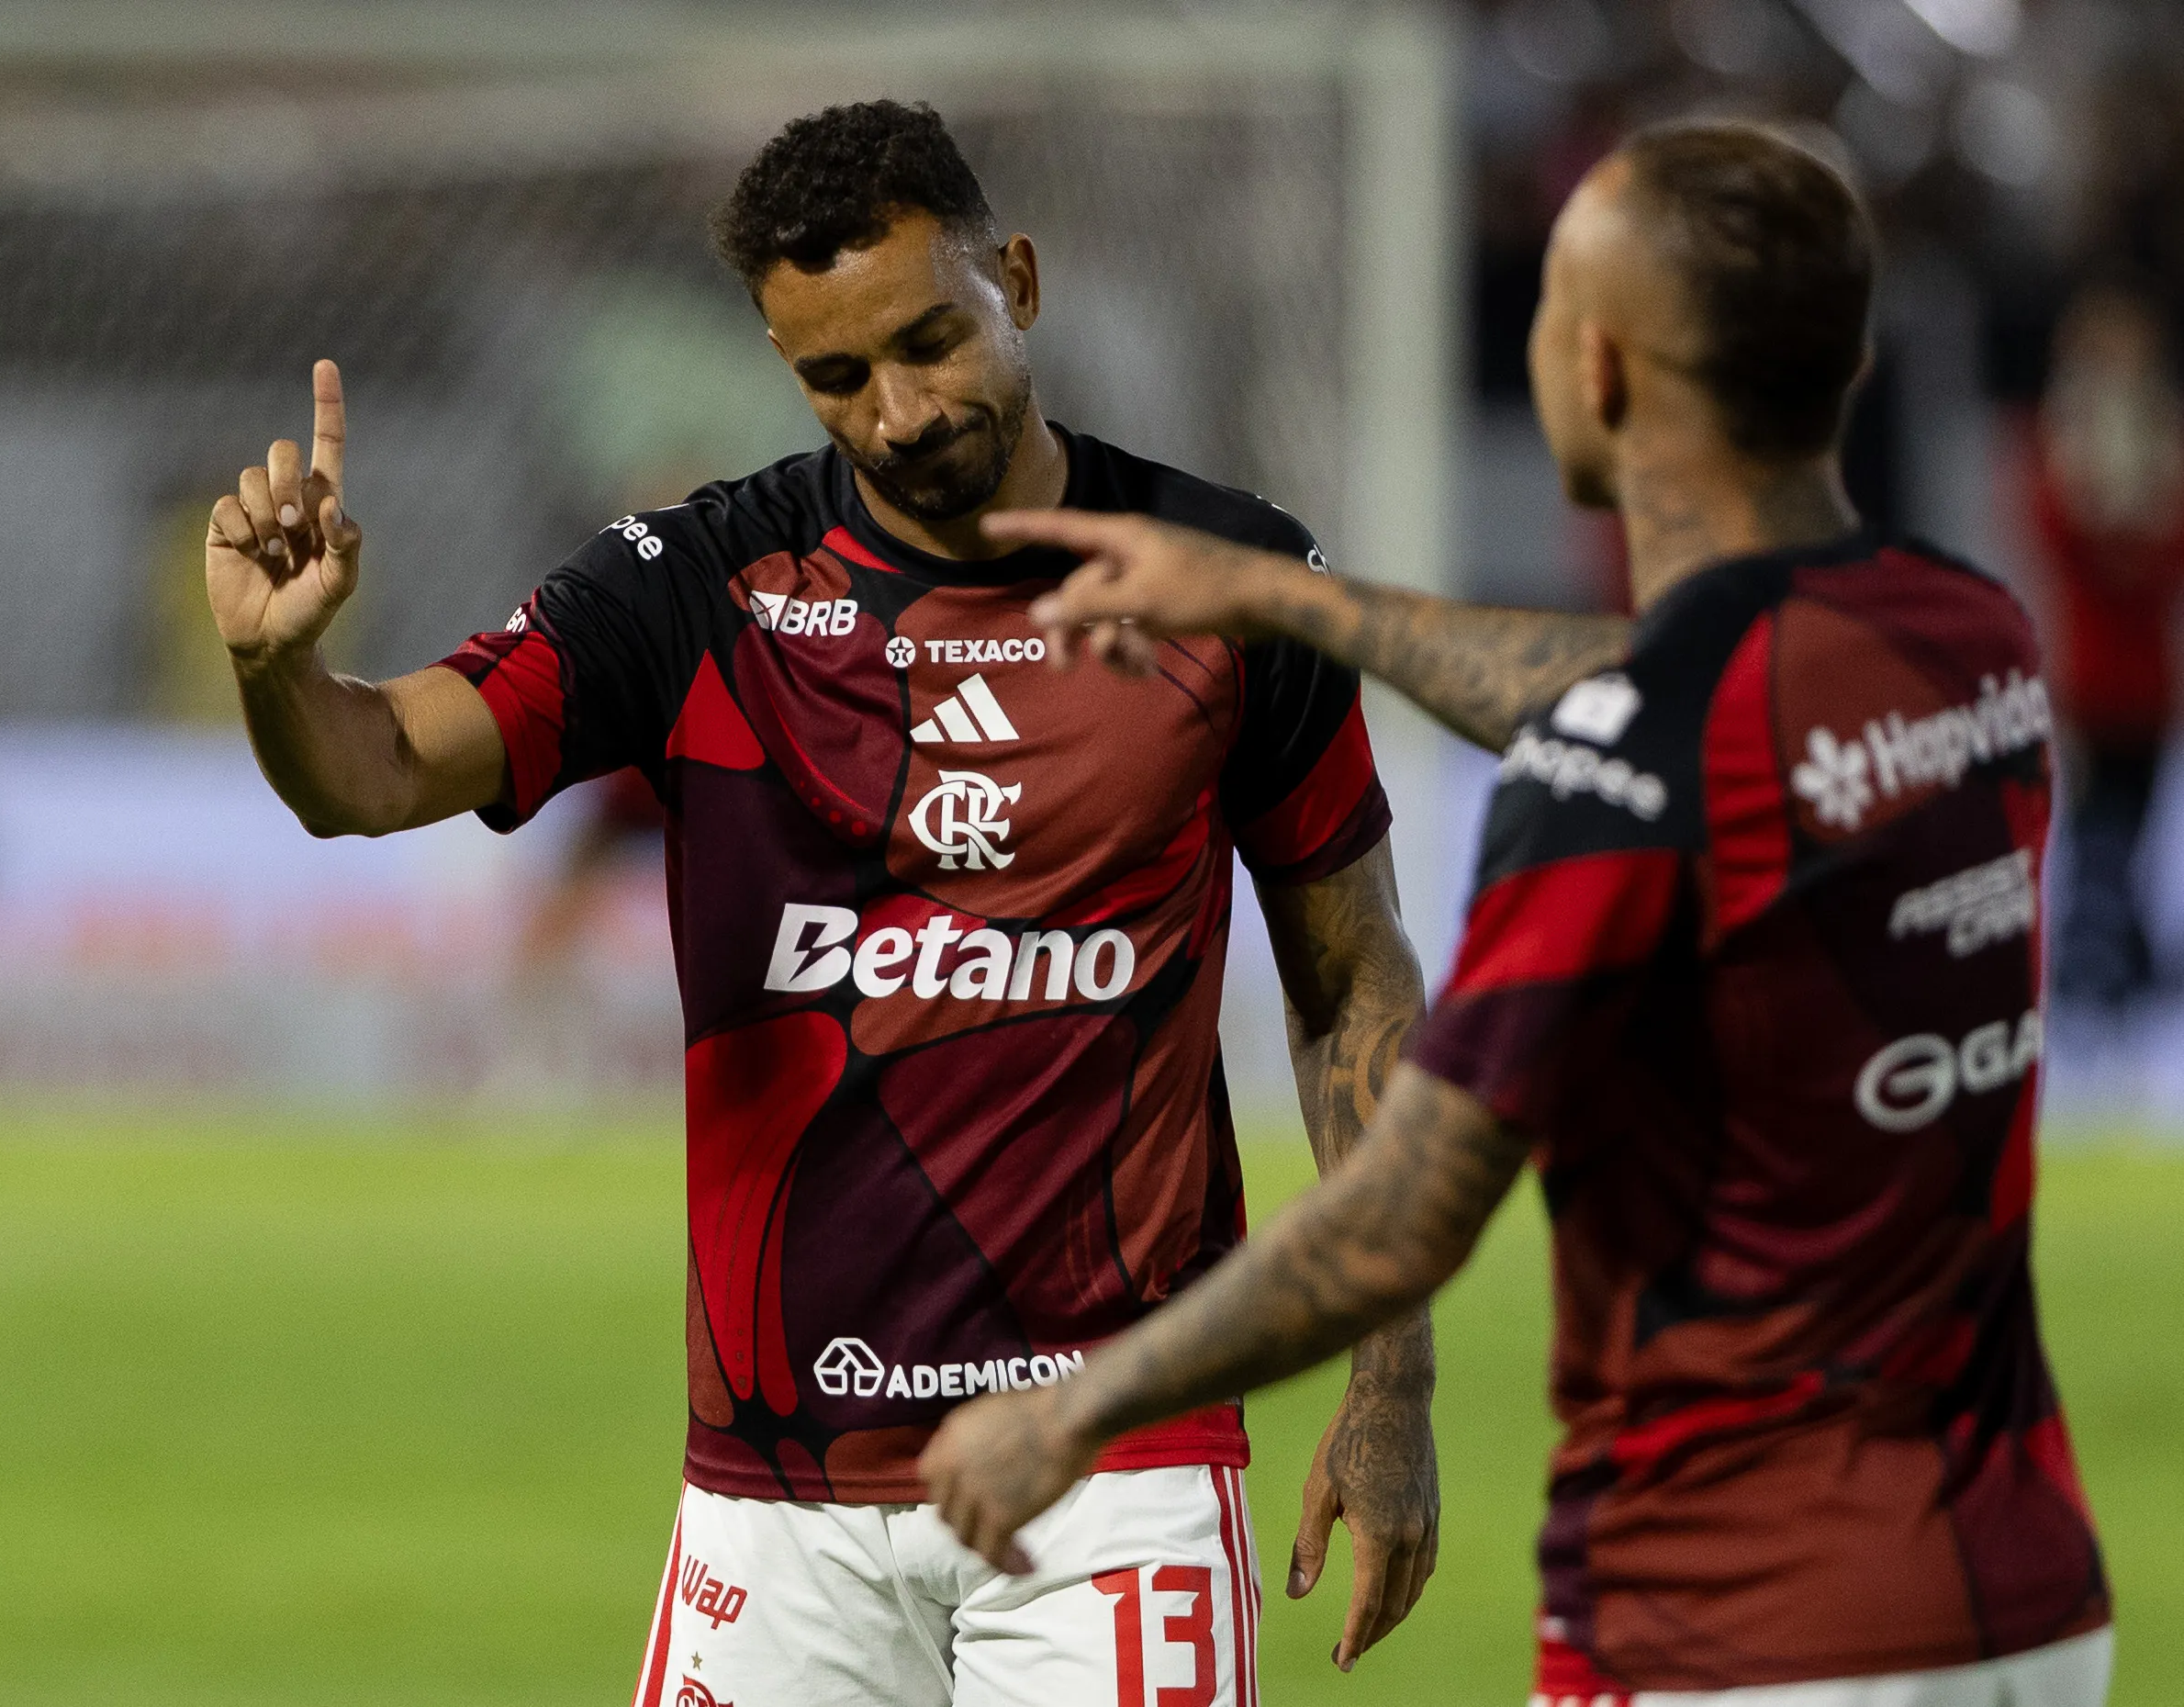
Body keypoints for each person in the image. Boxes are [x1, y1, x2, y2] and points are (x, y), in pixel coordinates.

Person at [203, 101, 1438, 1705]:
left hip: (1112, 1466)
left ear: (1020, 279)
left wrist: (1389, 1379)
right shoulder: (690, 585)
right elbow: (367, 771)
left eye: (931, 339)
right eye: (836, 377)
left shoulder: (1235, 586)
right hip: (776, 1496)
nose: (902, 410)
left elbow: (1352, 979)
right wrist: (273, 664)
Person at [923, 120, 2115, 1706]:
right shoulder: (1963, 639)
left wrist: (1062, 1413)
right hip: (2020, 1599)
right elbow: (1648, 688)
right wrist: (1287, 601)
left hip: (1735, 1622)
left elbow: (1403, 1212)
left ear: (1599, 369)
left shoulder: (1616, 776)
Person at [2023, 283, 2184, 1012]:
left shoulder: (2161, 440)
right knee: (2093, 832)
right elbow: (2056, 538)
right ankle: (2095, 951)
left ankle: (2127, 944)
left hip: (2145, 677)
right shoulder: (2065, 439)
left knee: (2141, 822)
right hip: (2088, 674)